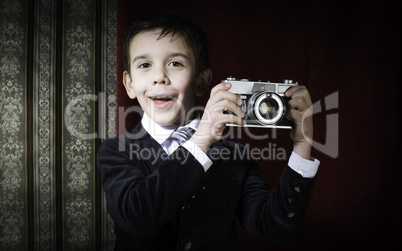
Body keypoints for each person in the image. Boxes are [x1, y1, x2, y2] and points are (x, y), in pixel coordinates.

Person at [97, 11, 320, 251]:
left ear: (202, 80)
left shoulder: (235, 156)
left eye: (175, 63)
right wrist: (201, 139)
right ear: (129, 84)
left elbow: (274, 229)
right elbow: (138, 218)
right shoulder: (115, 151)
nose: (159, 77)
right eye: (144, 65)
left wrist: (302, 144)